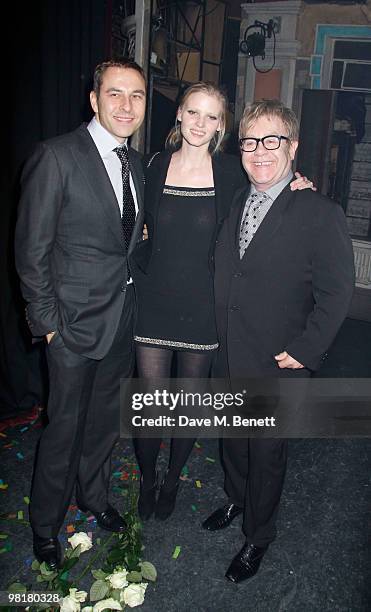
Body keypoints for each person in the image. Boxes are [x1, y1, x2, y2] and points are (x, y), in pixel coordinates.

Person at [130, 83, 314, 522]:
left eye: (211, 116)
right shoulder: (153, 165)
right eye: (193, 112)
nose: (200, 123)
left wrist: (301, 184)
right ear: (179, 115)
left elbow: (273, 189)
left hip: (204, 308)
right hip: (154, 302)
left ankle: (172, 481)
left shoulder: (233, 172)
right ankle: (148, 478)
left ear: (222, 125)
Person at [202, 99, 355, 583]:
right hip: (230, 349)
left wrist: (307, 351)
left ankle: (257, 535)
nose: (260, 151)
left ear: (291, 147)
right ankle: (236, 499)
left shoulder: (319, 211)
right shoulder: (237, 198)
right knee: (233, 442)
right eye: (250, 141)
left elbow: (337, 293)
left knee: (266, 453)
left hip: (279, 360)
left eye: (272, 141)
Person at [15, 59, 146, 569]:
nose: (127, 105)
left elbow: (125, 245)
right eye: (115, 93)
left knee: (103, 425)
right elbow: (31, 251)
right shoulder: (56, 156)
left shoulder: (134, 164)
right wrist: (47, 324)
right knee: (64, 429)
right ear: (94, 99)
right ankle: (45, 525)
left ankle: (93, 498)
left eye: (136, 95)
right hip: (69, 326)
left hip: (122, 320)